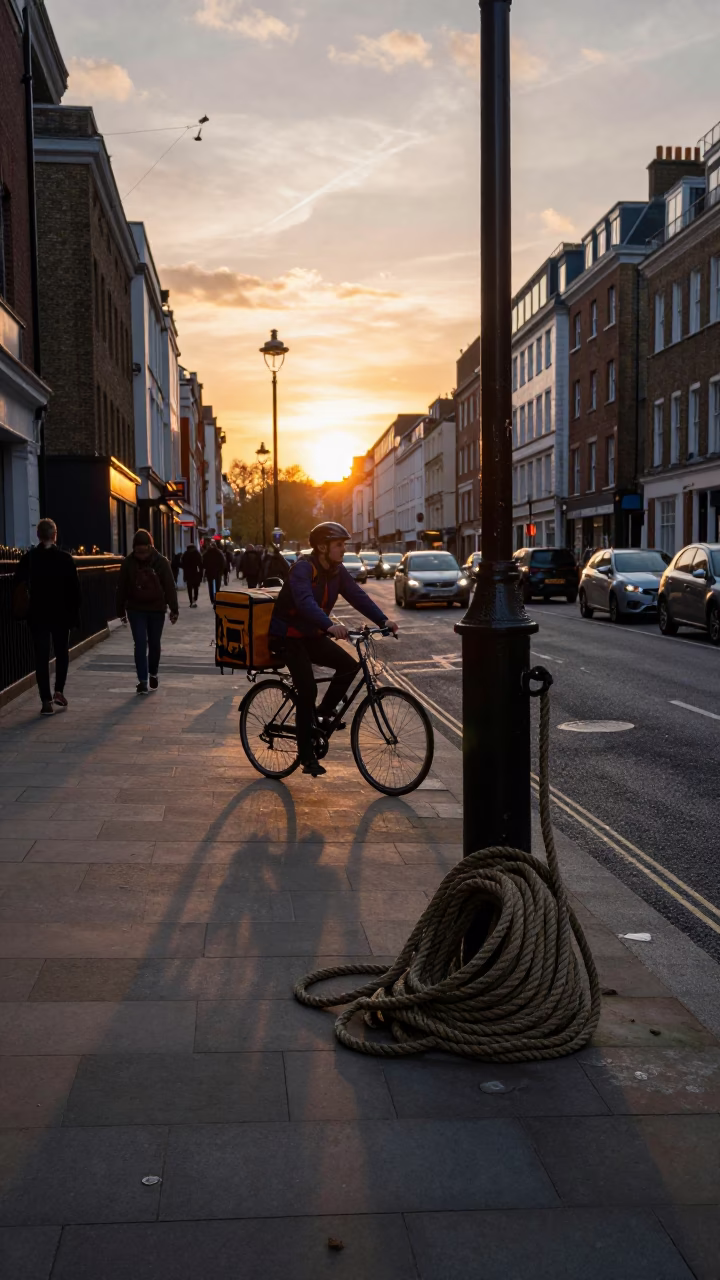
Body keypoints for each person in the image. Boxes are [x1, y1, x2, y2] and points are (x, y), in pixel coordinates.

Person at [269, 521, 398, 776]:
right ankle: (306, 756)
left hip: (312, 635)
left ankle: (322, 713)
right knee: (307, 687)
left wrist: (383, 620)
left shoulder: (337, 572)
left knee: (349, 666)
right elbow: (305, 602)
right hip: (288, 636)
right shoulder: (303, 569)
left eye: (344, 545)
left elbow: (357, 596)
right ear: (321, 547)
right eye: (339, 545)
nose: (343, 549)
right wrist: (329, 626)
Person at [13, 518, 81, 715]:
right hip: (61, 614)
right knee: (61, 653)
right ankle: (59, 690)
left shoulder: (30, 558)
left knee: (41, 657)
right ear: (55, 535)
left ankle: (45, 700)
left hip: (38, 613)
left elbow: (19, 584)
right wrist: (75, 614)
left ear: (38, 535)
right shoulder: (65, 559)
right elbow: (75, 591)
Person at [116, 529, 178, 694]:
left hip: (146, 609)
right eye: (139, 552)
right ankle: (145, 679)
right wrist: (173, 609)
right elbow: (169, 586)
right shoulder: (160, 561)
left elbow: (121, 587)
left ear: (150, 547)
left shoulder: (129, 562)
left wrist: (174, 608)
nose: (142, 555)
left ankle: (151, 674)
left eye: (144, 551)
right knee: (146, 643)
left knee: (147, 643)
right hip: (145, 609)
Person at [203, 540, 226, 604]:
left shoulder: (206, 553)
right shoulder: (219, 552)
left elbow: (203, 562)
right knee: (217, 586)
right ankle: (217, 598)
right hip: (217, 572)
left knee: (210, 586)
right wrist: (221, 570)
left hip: (210, 572)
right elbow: (223, 562)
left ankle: (212, 600)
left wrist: (206, 569)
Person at [180, 543, 203, 607]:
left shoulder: (185, 554)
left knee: (189, 588)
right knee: (196, 587)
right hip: (195, 573)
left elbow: (182, 564)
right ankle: (195, 599)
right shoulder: (197, 554)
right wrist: (201, 574)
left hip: (188, 574)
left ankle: (191, 601)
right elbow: (201, 565)